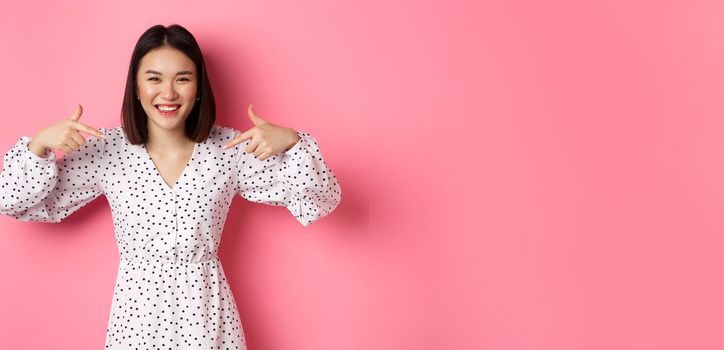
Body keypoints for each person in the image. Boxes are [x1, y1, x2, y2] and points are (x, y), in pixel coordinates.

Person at [0, 24, 341, 349]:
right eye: (154, 79)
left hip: (207, 317)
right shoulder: (106, 150)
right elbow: (12, 201)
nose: (168, 93)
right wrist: (38, 147)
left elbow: (320, 200)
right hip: (136, 321)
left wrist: (295, 145)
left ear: (198, 88)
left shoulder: (230, 150)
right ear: (136, 87)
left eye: (182, 79)